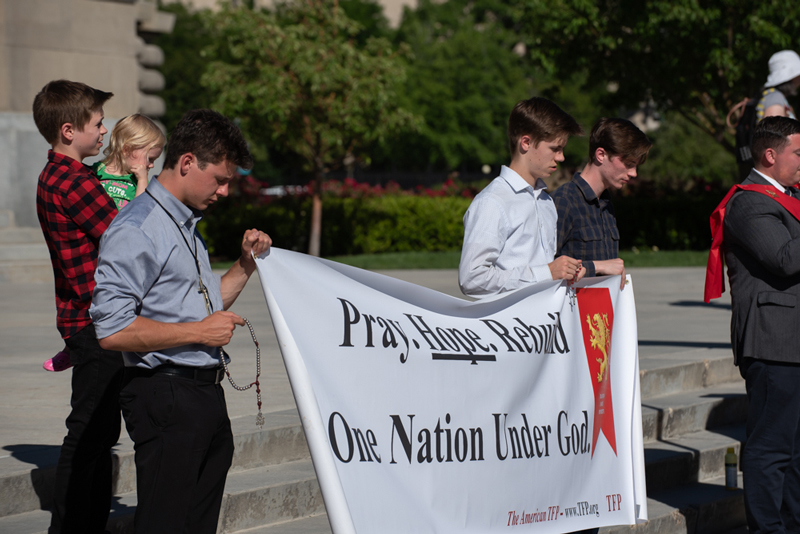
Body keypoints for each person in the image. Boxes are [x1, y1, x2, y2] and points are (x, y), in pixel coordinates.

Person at [89, 109, 272, 534]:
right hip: (165, 392)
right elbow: (112, 330)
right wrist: (198, 333)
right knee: (165, 523)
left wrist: (246, 264)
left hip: (202, 392)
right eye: (221, 179)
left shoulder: (184, 224)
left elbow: (200, 306)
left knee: (197, 522)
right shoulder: (138, 226)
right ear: (187, 162)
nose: (225, 191)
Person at [32, 79, 122, 534]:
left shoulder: (55, 176)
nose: (104, 132)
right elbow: (128, 237)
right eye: (98, 124)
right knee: (90, 432)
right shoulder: (75, 183)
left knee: (98, 432)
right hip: (95, 321)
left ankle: (86, 520)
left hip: (81, 318)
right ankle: (72, 526)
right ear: (69, 131)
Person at [709, 116, 800, 533]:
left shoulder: (789, 197)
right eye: (798, 153)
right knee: (771, 447)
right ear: (770, 154)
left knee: (796, 450)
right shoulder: (750, 201)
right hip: (773, 341)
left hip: (792, 341)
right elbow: (784, 259)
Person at [43, 113, 166, 372]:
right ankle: (70, 349)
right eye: (150, 159)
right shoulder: (93, 174)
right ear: (129, 149)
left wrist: (142, 178)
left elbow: (140, 217)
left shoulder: (139, 183)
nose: (152, 165)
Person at [459, 96, 585, 298]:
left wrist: (567, 272)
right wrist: (546, 273)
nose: (561, 157)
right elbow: (472, 278)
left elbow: (544, 270)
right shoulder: (492, 202)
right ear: (526, 142)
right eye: (555, 148)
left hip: (544, 325)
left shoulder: (545, 201)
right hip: (507, 328)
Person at [552, 118, 652, 291]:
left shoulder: (606, 204)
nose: (634, 173)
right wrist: (599, 267)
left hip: (601, 313)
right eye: (628, 164)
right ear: (601, 155)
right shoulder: (563, 201)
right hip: (571, 314)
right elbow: (546, 269)